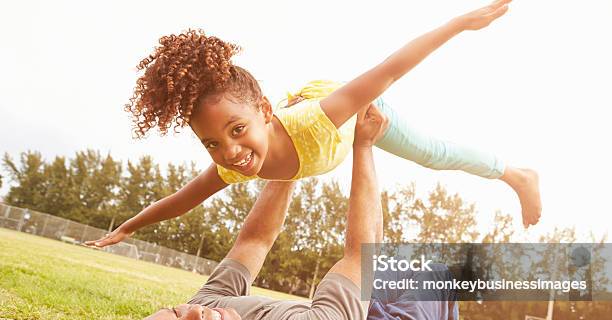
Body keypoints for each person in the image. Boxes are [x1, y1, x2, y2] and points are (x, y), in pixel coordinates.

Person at [86, 0, 541, 251]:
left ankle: (516, 173)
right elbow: (180, 200)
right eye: (212, 144)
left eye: (237, 130)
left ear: (263, 112)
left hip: (346, 108)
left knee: (433, 155)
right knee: (267, 166)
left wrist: (459, 23)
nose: (228, 152)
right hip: (296, 116)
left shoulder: (319, 119)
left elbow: (389, 69)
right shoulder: (230, 164)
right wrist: (128, 227)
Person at [109, 104, 469, 320]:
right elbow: (362, 255)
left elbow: (255, 241)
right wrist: (363, 146)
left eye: (175, 312)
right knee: (433, 273)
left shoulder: (203, 310)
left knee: (398, 267)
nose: (194, 315)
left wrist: (288, 154)